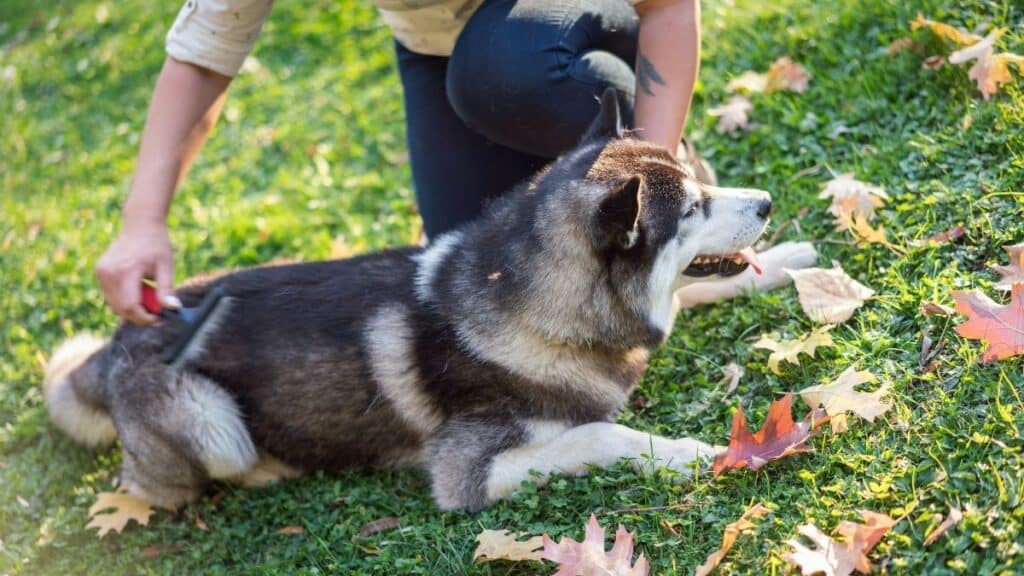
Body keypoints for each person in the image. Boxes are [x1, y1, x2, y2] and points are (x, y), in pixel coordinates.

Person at [96, 0, 705, 325]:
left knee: (505, 72)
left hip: (572, 24)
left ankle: (668, 176)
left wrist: (655, 167)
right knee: (476, 282)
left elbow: (668, 6)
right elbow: (203, 57)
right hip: (437, 46)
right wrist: (142, 222)